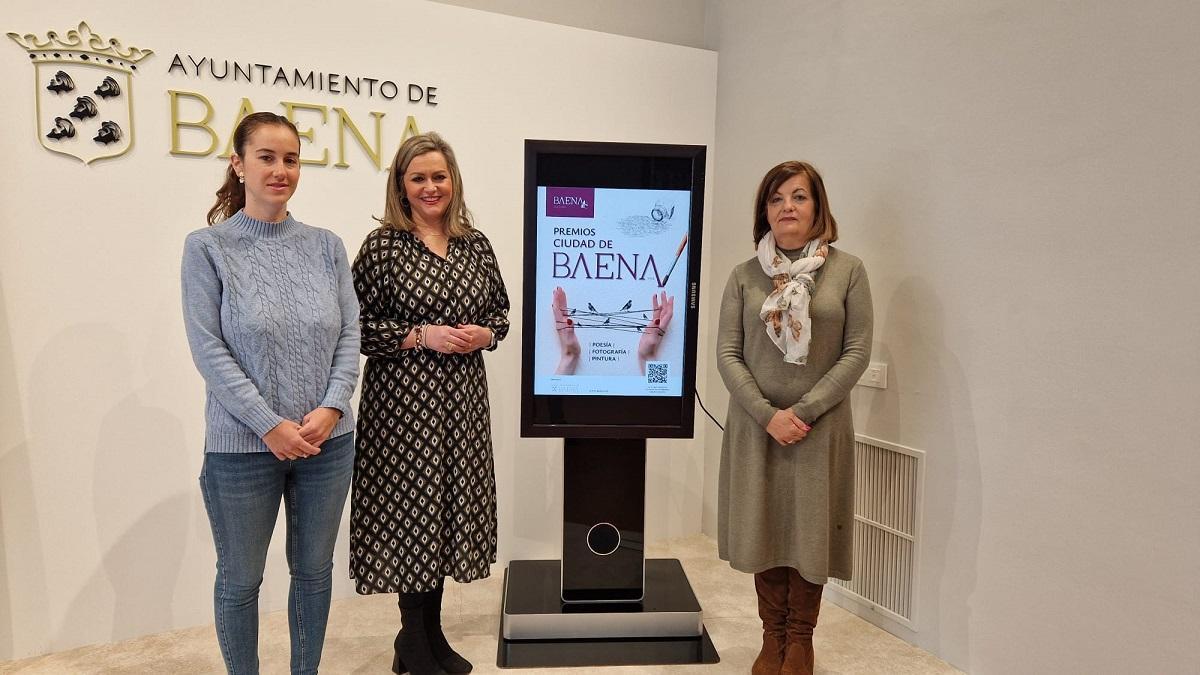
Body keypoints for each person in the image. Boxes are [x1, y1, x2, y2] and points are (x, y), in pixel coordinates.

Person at [181, 111, 360, 674]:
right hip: (242, 450)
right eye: (266, 157)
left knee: (313, 572)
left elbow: (350, 333)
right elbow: (209, 349)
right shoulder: (208, 248)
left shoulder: (327, 246)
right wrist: (268, 425)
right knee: (241, 579)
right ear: (238, 164)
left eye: (291, 159)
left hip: (327, 444)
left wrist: (332, 407)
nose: (281, 170)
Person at [350, 132, 509, 675]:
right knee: (412, 516)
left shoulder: (475, 244)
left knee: (443, 515)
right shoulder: (382, 248)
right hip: (403, 409)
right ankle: (413, 640)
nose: (430, 186)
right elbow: (357, 329)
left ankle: (429, 637)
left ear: (453, 180)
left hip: (462, 405)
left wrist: (484, 336)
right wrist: (421, 335)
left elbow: (502, 315)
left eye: (438, 176)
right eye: (417, 178)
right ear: (401, 185)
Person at [716, 161, 872, 675]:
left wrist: (801, 413)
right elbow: (727, 353)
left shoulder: (848, 271)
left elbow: (856, 352)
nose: (788, 207)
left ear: (818, 208)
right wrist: (767, 415)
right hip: (757, 428)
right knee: (765, 528)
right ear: (765, 211)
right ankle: (772, 638)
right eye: (777, 198)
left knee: (809, 532)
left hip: (819, 429)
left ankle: (800, 641)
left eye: (800, 197)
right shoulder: (744, 276)